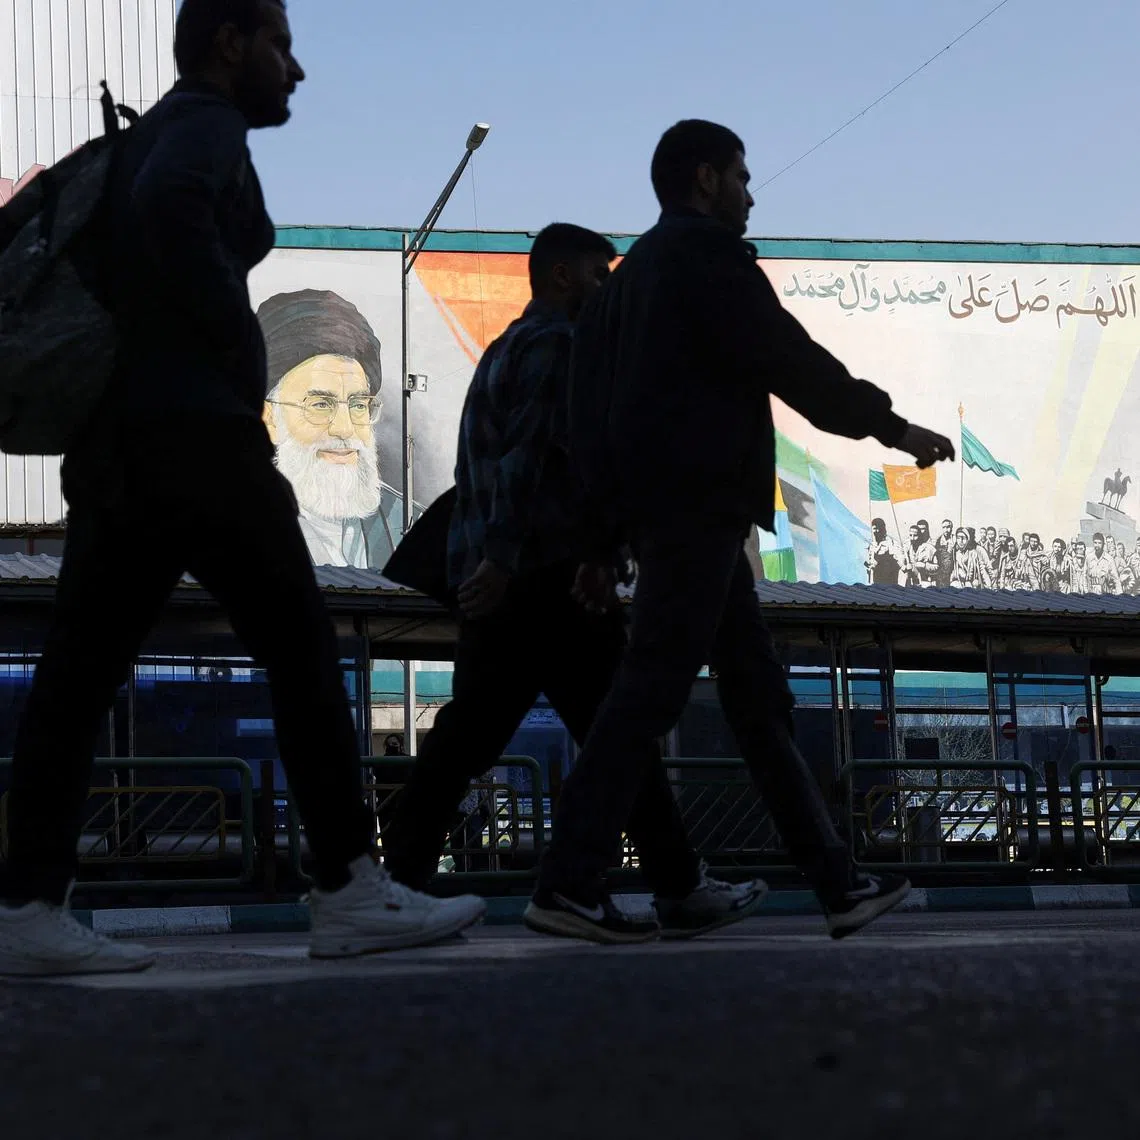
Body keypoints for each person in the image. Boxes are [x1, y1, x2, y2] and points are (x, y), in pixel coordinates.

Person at [0, 0, 484, 977]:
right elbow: (177, 213)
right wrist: (234, 354)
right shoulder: (200, 127)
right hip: (197, 441)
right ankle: (350, 886)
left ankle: (26, 907)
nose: (295, 70)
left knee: (80, 673)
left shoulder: (160, 132)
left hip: (124, 445)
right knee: (302, 648)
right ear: (231, 45)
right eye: (281, 45)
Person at [528, 119, 955, 943]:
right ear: (704, 179)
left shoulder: (620, 288)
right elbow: (789, 360)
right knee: (650, 690)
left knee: (758, 703)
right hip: (700, 512)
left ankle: (838, 884)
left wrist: (601, 538)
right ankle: (566, 881)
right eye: (742, 176)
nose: (753, 193)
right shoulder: (705, 259)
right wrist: (892, 430)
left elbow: (589, 421)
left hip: (674, 520)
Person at [382, 223, 766, 942]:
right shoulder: (560, 347)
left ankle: (399, 884)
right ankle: (654, 889)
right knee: (618, 734)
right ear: (562, 277)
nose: (606, 290)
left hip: (512, 580)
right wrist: (506, 560)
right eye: (597, 275)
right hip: (542, 580)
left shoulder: (501, 349)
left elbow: (485, 473)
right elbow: (532, 461)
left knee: (485, 739)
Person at [258, 288, 411, 567]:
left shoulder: (407, 524)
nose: (344, 428)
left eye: (357, 405)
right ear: (269, 418)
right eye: (320, 405)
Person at [865, 518, 905, 585]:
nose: (877, 531)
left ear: (883, 529)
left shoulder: (891, 543)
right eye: (874, 529)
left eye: (879, 528)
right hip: (876, 581)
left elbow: (900, 560)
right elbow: (871, 561)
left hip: (890, 581)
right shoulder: (872, 545)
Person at [904, 522, 938, 587]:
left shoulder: (929, 548)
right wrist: (904, 566)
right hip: (912, 583)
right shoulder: (907, 547)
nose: (912, 538)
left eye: (915, 535)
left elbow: (937, 568)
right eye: (910, 535)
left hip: (926, 582)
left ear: (919, 536)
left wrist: (925, 565)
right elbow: (900, 559)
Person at [934, 518, 956, 587]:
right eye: (944, 527)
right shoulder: (938, 540)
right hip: (941, 570)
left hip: (952, 569)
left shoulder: (955, 539)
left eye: (948, 527)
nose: (946, 530)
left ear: (951, 528)